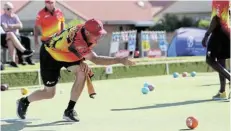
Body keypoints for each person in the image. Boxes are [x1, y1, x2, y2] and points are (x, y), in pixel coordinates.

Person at [16, 18, 135, 122]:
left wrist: (81, 59)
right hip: (50, 55)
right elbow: (95, 59)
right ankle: (24, 101)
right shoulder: (79, 40)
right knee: (49, 93)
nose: (99, 36)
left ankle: (69, 110)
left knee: (82, 71)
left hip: (66, 52)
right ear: (87, 32)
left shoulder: (86, 31)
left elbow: (73, 48)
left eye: (100, 33)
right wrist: (120, 60)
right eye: (96, 34)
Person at [202, 0, 230, 100]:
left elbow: (215, 19)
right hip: (227, 33)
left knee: (210, 60)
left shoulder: (218, 1)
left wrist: (206, 35)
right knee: (221, 63)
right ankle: (222, 92)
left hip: (219, 33)